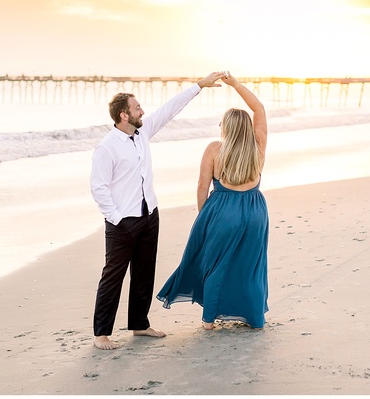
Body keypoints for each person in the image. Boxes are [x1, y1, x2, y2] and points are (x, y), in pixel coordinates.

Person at [90, 71, 225, 350]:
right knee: (113, 276)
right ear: (124, 115)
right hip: (122, 222)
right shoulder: (107, 148)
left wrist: (199, 85)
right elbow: (99, 189)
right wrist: (117, 219)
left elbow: (170, 109)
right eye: (137, 108)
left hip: (149, 214)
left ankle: (139, 324)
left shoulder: (142, 133)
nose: (143, 111)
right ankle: (101, 334)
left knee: (144, 272)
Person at [156, 72, 269, 330]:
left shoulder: (214, 149)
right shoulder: (258, 144)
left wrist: (204, 215)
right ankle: (254, 319)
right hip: (255, 211)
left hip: (222, 212)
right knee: (250, 267)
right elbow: (258, 108)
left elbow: (202, 186)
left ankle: (209, 320)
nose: (219, 126)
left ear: (227, 127)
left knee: (216, 265)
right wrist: (237, 85)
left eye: (221, 123)